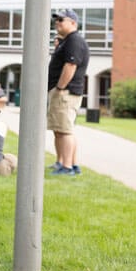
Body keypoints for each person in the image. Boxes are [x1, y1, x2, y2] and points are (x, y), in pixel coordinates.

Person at [48, 9, 89, 175]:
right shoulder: (67, 41)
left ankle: (68, 166)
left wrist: (60, 87)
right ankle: (62, 162)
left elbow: (70, 66)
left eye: (61, 20)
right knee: (59, 129)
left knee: (65, 130)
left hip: (65, 93)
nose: (57, 23)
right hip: (61, 92)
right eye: (56, 20)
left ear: (73, 23)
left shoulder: (74, 41)